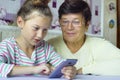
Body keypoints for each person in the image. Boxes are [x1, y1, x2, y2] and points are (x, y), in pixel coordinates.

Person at [0, 0, 77, 79]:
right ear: (20, 22)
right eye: (36, 28)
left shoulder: (45, 48)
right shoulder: (7, 46)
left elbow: (62, 64)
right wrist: (34, 69)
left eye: (45, 30)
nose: (40, 35)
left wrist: (69, 70)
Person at [48, 0, 120, 75]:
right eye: (65, 22)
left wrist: (82, 70)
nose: (69, 27)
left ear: (87, 25)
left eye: (76, 22)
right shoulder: (48, 46)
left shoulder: (98, 45)